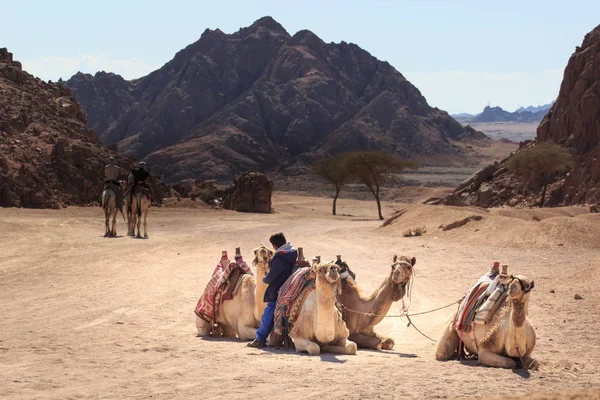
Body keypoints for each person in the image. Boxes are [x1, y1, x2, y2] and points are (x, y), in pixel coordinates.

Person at [247, 233, 298, 348]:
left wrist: (265, 278)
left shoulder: (280, 257)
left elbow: (271, 277)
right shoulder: (293, 252)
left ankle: (260, 338)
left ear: (274, 246)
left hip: (279, 289)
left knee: (269, 311)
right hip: (293, 286)